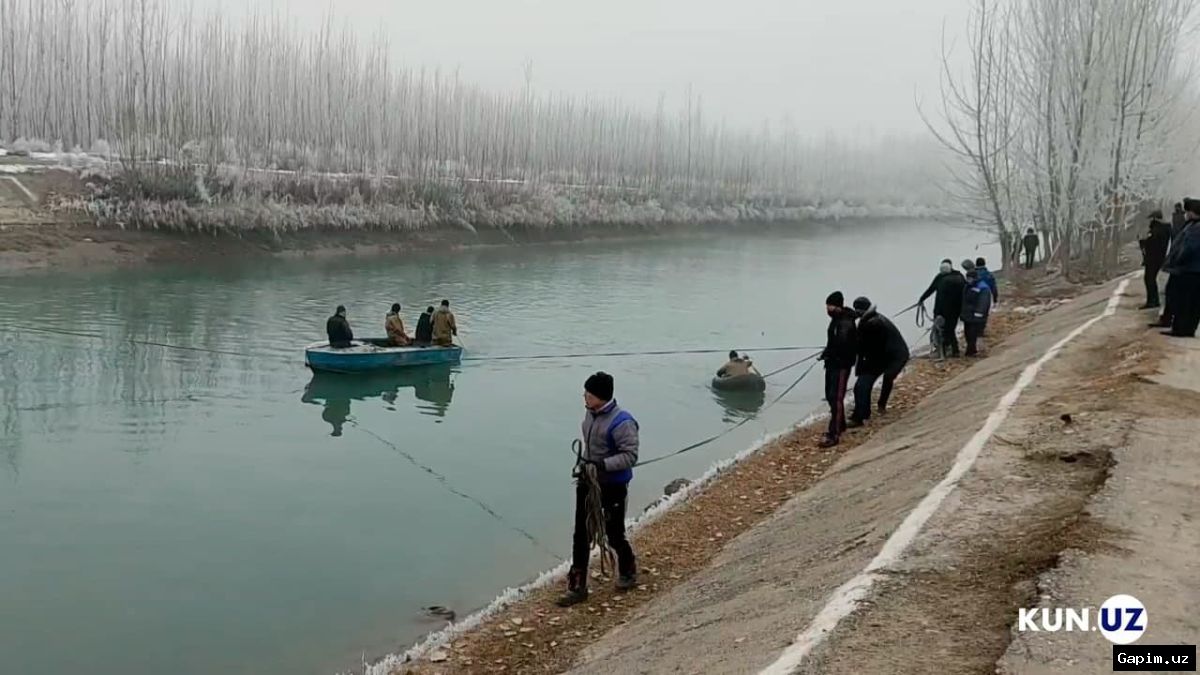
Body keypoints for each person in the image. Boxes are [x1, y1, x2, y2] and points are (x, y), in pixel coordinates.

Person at [557, 372, 639, 607]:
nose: (584, 397)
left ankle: (627, 570)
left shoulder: (623, 422)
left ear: (601, 398)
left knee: (613, 534)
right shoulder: (590, 413)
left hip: (613, 485)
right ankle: (577, 586)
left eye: (589, 394)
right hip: (588, 483)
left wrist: (602, 465)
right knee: (580, 535)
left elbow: (630, 456)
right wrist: (586, 466)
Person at [848, 297, 910, 426]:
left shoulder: (873, 323)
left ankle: (863, 415)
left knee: (863, 385)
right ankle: (865, 411)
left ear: (861, 311)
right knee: (863, 384)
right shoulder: (871, 319)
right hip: (884, 355)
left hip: (895, 356)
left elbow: (868, 348)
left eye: (857, 310)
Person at [818, 291, 857, 448]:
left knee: (836, 398)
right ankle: (840, 424)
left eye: (830, 306)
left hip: (841, 365)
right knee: (829, 396)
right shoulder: (835, 321)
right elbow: (832, 343)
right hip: (832, 364)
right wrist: (825, 354)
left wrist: (830, 354)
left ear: (837, 306)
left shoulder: (846, 322)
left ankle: (834, 434)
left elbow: (842, 345)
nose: (827, 309)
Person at [1156, 200, 1199, 328]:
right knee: (1185, 298)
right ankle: (1178, 324)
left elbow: (1189, 247)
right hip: (1189, 268)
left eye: (1189, 211)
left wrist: (1177, 259)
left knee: (1185, 299)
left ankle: (1181, 327)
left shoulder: (1196, 228)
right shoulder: (1191, 225)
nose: (1186, 214)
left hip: (1189, 269)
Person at [918, 259, 967, 357]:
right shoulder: (960, 277)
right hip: (957, 309)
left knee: (943, 330)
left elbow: (933, 291)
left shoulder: (941, 279)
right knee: (950, 329)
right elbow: (966, 292)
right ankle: (951, 349)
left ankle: (949, 351)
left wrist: (921, 299)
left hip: (943, 311)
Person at [1138, 211, 1171, 310]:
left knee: (1149, 279)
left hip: (1154, 258)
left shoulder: (1157, 230)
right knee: (1150, 279)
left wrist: (1143, 242)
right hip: (1157, 257)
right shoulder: (1164, 229)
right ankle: (1153, 300)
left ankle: (1152, 301)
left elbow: (1153, 244)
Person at [962, 267, 993, 356]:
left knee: (973, 334)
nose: (968, 280)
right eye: (967, 278)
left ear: (975, 278)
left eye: (970, 278)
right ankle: (971, 349)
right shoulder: (968, 286)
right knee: (967, 333)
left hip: (977, 316)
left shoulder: (982, 287)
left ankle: (972, 351)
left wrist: (979, 314)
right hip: (968, 315)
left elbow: (984, 302)